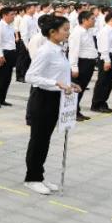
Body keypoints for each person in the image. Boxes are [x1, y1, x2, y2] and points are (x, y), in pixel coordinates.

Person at [23, 15, 80, 195]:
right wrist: (55, 83)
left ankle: (39, 175)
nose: (68, 33)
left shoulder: (59, 49)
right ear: (52, 32)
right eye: (65, 30)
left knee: (45, 140)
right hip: (43, 99)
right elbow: (30, 76)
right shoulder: (46, 51)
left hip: (56, 98)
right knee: (38, 140)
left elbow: (57, 74)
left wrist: (69, 84)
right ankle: (32, 178)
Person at [67, 11, 98, 120]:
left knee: (82, 88)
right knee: (77, 89)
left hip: (88, 63)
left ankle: (76, 111)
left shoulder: (88, 31)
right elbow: (73, 51)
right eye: (92, 19)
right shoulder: (77, 32)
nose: (94, 21)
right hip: (81, 63)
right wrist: (74, 67)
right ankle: (72, 112)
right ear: (84, 20)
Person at [90, 11, 112, 112]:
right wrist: (107, 61)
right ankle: (97, 104)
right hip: (108, 58)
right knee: (103, 82)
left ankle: (103, 102)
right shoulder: (105, 31)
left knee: (109, 82)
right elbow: (104, 48)